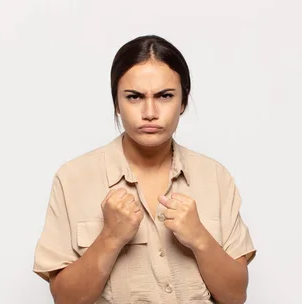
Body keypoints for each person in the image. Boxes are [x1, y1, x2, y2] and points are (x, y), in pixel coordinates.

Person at [33, 35, 256, 304]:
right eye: (134, 97)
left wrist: (200, 238)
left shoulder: (215, 178)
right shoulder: (73, 179)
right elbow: (65, 300)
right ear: (116, 104)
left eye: (165, 96)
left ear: (183, 102)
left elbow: (235, 296)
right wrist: (110, 238)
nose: (150, 112)